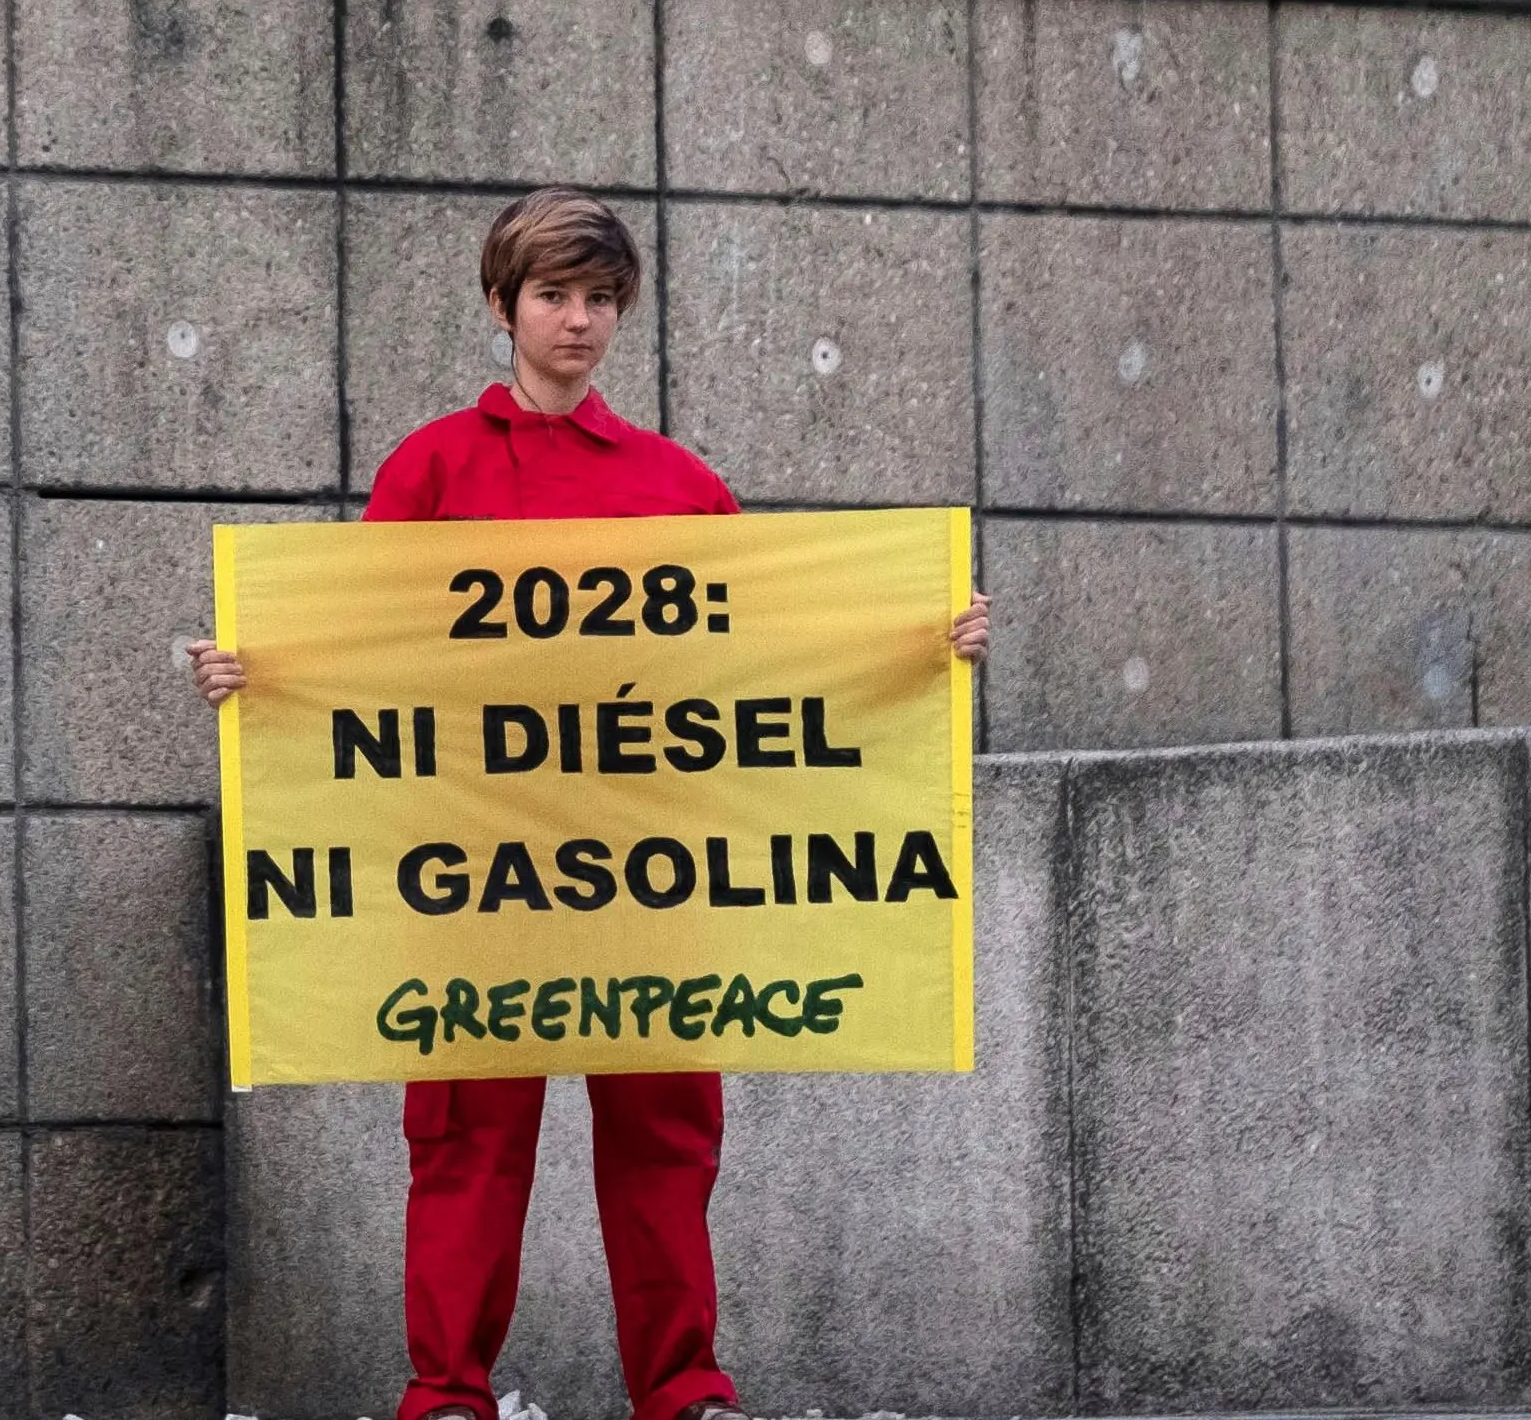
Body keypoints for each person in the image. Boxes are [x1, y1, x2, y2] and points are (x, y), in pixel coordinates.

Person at [194, 190, 995, 1420]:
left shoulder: (680, 487)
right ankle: (447, 1397)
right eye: (556, 296)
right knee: (467, 1143)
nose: (580, 321)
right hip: (476, 875)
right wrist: (258, 673)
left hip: (649, 871)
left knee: (666, 1140)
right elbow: (362, 642)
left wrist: (922, 642)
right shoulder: (432, 468)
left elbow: (772, 651)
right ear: (504, 305)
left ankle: (685, 1392)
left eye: (602, 299)